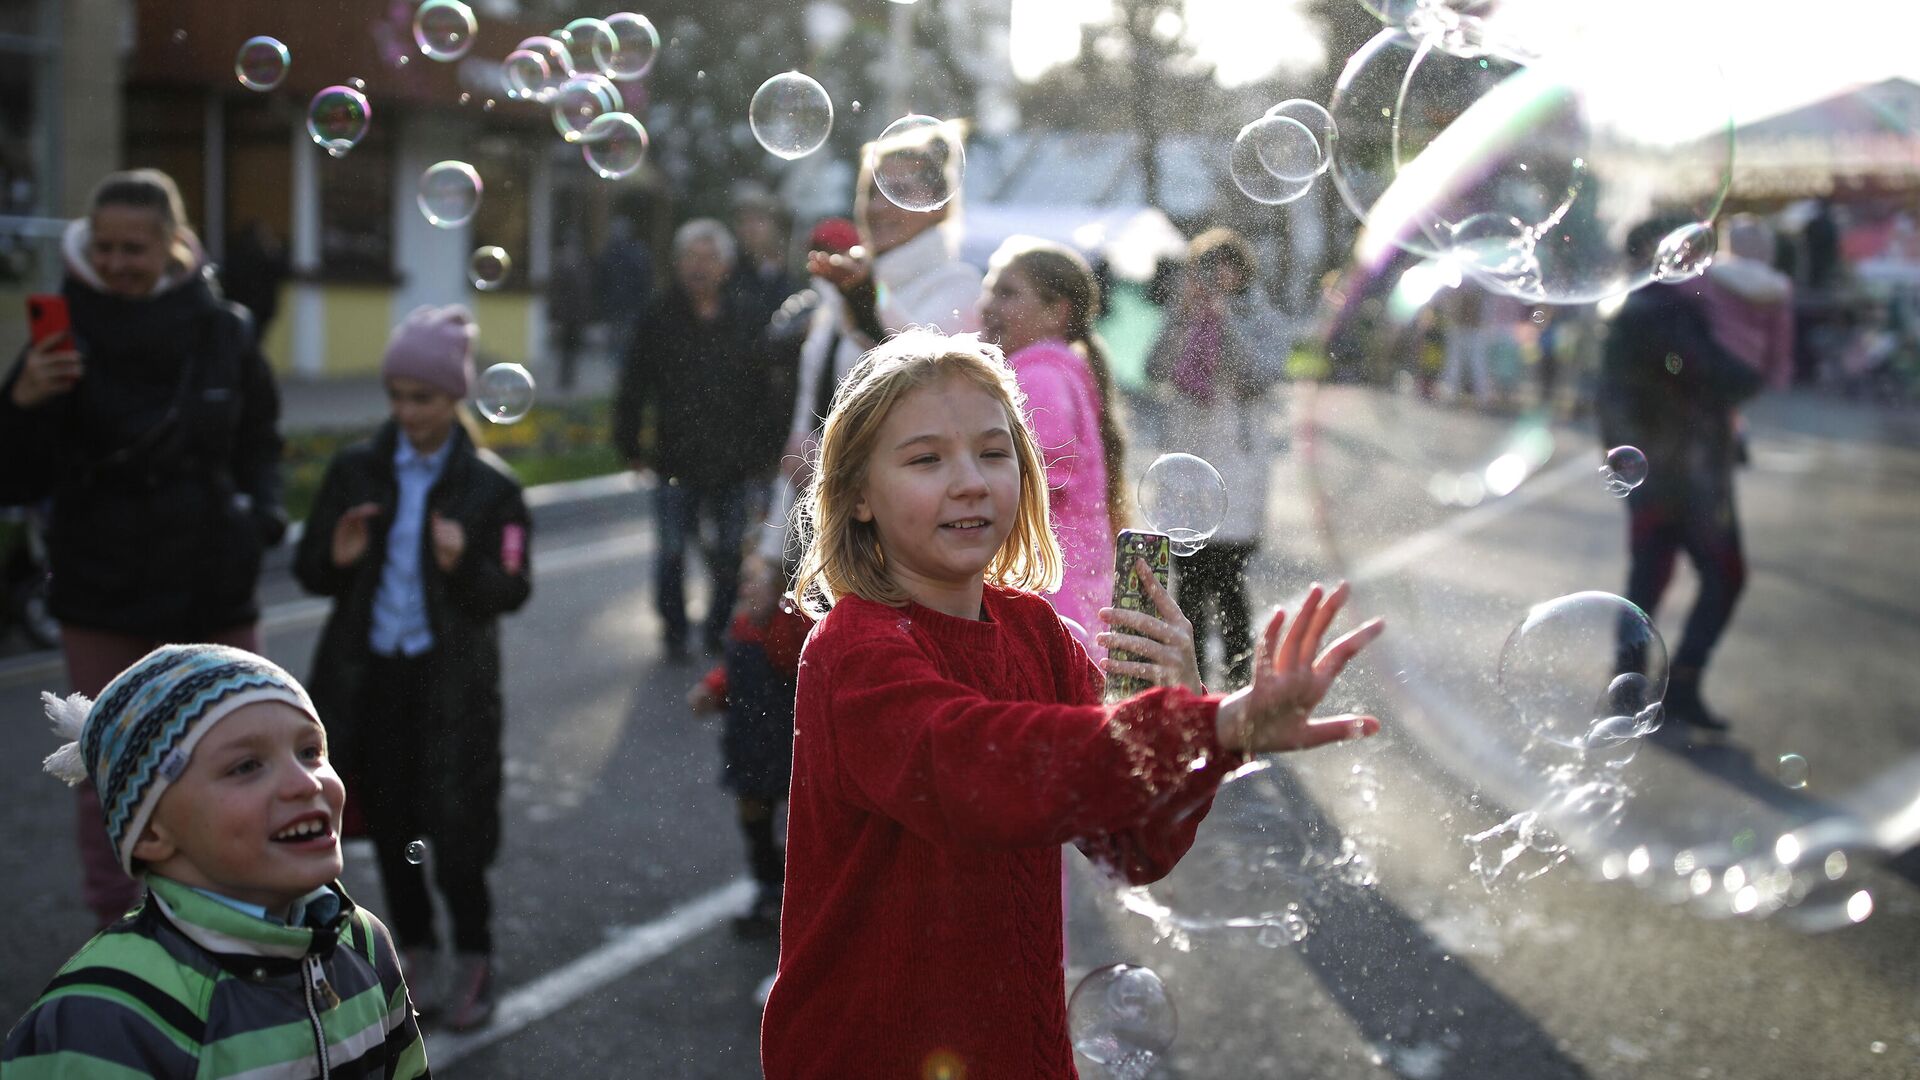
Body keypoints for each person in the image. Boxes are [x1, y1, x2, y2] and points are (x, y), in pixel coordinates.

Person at [760, 329, 1386, 1077]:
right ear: (858, 495)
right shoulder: (852, 653)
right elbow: (977, 765)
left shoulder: (1038, 636)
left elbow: (1133, 846)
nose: (970, 481)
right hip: (869, 1055)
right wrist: (1207, 724)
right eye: (926, 459)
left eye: (994, 454)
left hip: (1016, 1052)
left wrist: (1175, 707)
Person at [0, 167, 286, 930]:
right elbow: (15, 476)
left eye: (137, 246)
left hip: (212, 582)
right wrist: (23, 402)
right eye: (106, 246)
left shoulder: (224, 328)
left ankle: (246, 917)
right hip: (100, 588)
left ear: (173, 245)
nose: (120, 261)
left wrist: (262, 516)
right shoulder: (60, 333)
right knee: (110, 770)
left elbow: (261, 440)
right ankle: (122, 932)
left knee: (241, 752)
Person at [4, 644, 428, 1078]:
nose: (305, 782)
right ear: (151, 830)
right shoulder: (105, 1011)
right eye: (246, 766)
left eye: (310, 751)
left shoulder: (364, 941)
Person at [294, 305, 533, 1031]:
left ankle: (476, 955)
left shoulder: (493, 487)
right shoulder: (356, 469)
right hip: (375, 681)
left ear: (454, 396)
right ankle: (416, 953)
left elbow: (513, 588)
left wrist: (465, 564)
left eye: (421, 397)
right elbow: (310, 570)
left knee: (456, 834)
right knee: (396, 827)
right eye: (395, 394)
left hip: (453, 688)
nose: (405, 410)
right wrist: (332, 559)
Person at [1599, 219, 1766, 734]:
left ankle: (1629, 688)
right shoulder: (1662, 310)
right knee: (1722, 575)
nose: (1700, 258)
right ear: (1662, 252)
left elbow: (1613, 400)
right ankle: (1677, 685)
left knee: (1647, 580)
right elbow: (1714, 374)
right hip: (1685, 476)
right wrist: (1754, 354)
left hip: (1659, 471)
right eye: (1689, 247)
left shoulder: (1642, 306)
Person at [614, 219, 775, 660]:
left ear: (725, 266)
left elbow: (765, 391)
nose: (698, 267)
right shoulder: (659, 315)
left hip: (734, 460)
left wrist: (765, 451)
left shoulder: (746, 314)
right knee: (670, 551)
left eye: (708, 258)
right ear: (677, 264)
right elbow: (633, 384)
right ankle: (673, 630)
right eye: (690, 257)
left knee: (728, 552)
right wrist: (628, 443)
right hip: (675, 458)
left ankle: (718, 628)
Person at [979, 237, 1128, 654]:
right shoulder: (1054, 370)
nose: (988, 303)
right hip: (1069, 593)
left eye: (1007, 293)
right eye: (989, 288)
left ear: (1055, 312)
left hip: (1052, 595)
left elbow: (1039, 476)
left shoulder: (1039, 377)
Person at [1147, 230, 1278, 688]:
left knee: (1227, 579)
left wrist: (1223, 322)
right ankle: (1194, 682)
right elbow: (1154, 369)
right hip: (1187, 464)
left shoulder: (1258, 317)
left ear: (1242, 271)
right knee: (1188, 582)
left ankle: (1241, 680)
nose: (1214, 278)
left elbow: (1259, 376)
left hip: (1236, 467)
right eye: (1204, 268)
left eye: (1223, 267)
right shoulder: (1183, 315)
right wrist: (1183, 320)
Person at [686, 555, 812, 937]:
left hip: (785, 743)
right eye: (746, 581)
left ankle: (800, 896)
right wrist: (714, 689)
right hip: (749, 741)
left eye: (755, 582)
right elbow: (737, 672)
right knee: (753, 813)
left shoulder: (789, 628)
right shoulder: (743, 625)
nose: (745, 589)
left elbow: (793, 662)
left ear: (779, 591)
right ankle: (768, 886)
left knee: (794, 825)